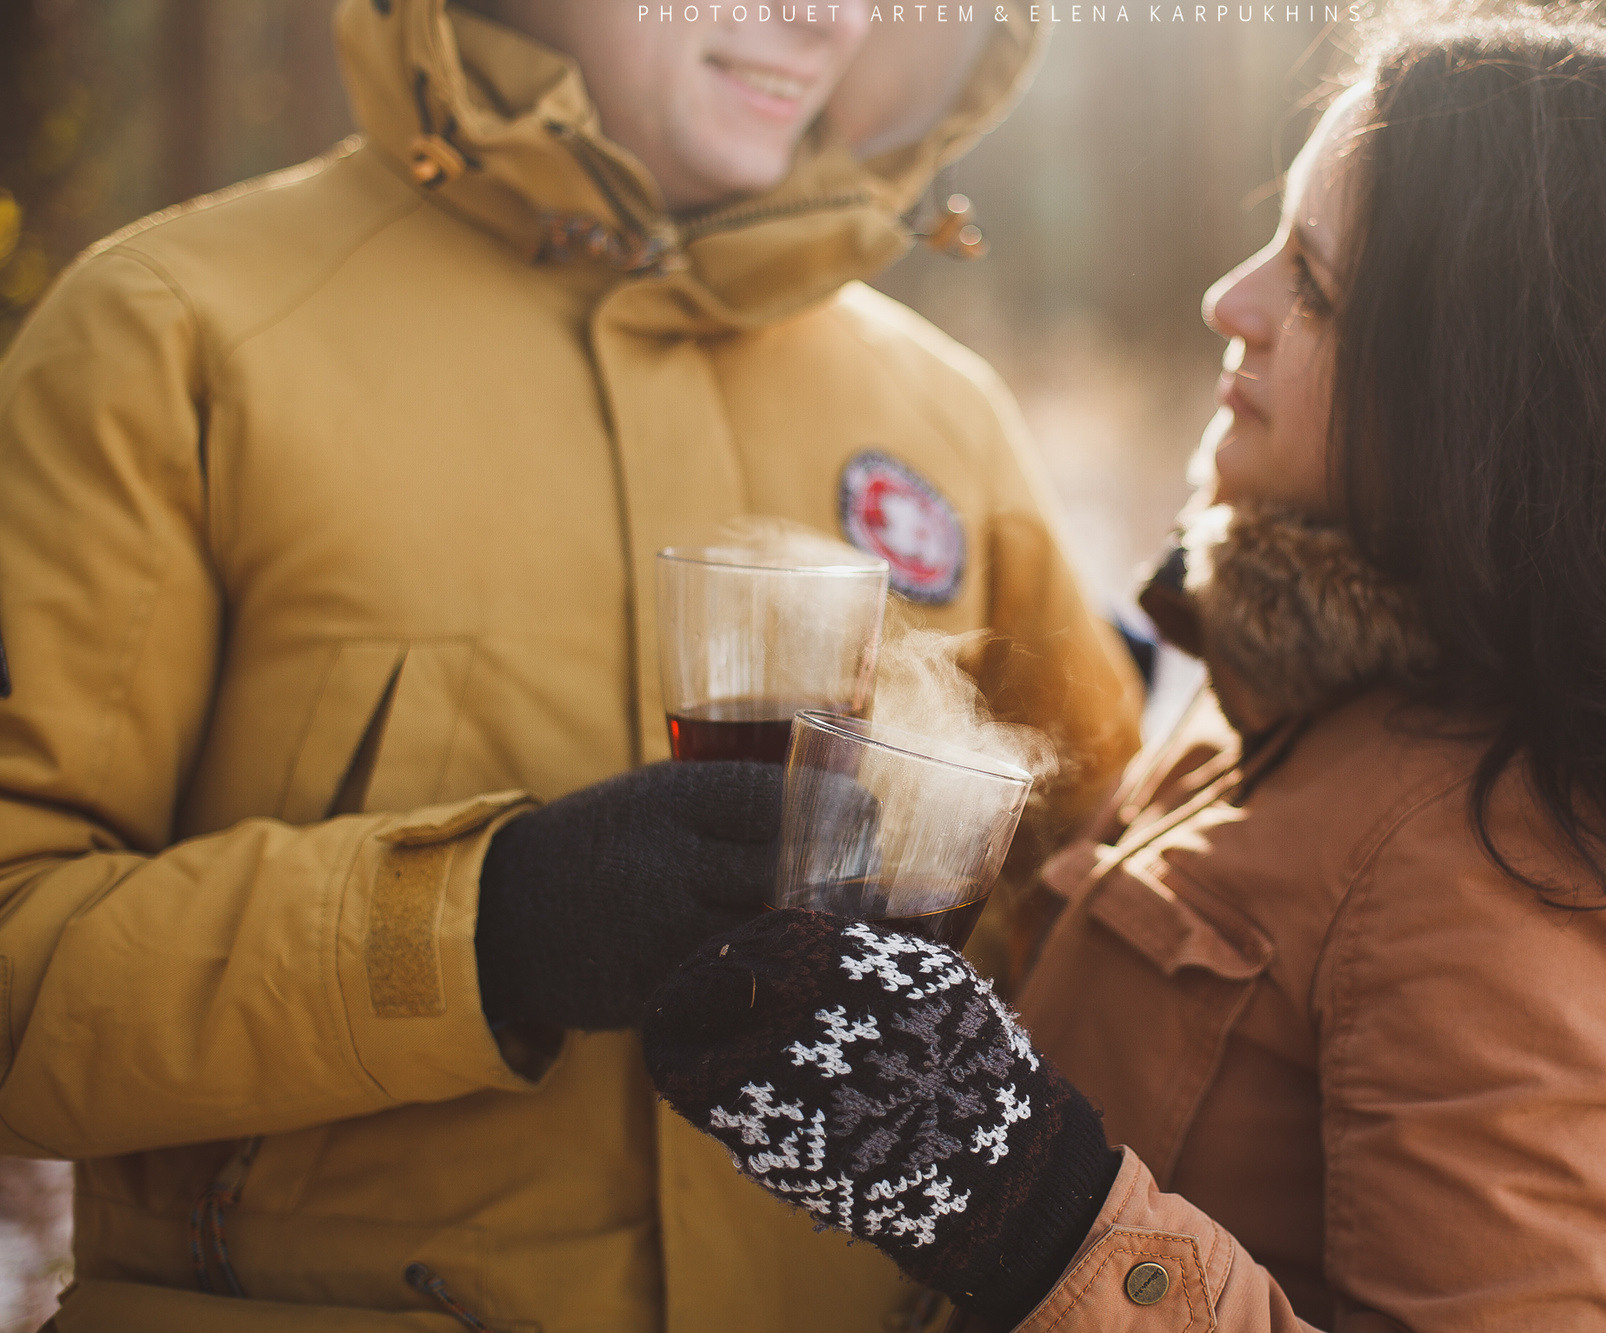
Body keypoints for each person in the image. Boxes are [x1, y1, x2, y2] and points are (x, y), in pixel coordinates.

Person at [641, 13, 1606, 1331]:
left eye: (1316, 281)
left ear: (1491, 389)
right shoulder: (1306, 689)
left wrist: (1032, 1215)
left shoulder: (1523, 862)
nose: (1229, 300)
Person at [0, 0, 1141, 1328]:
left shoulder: (948, 412)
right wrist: (484, 930)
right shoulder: (171, 335)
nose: (822, 18)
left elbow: (1113, 915)